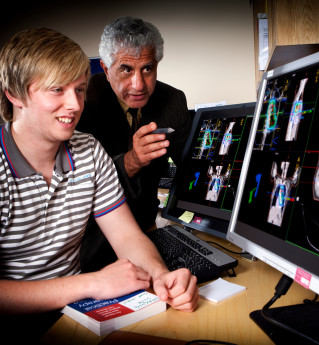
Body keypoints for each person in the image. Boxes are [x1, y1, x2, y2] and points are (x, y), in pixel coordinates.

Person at [0, 27, 198, 343]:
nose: (74, 105)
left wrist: (162, 277)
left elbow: (127, 236)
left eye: (79, 90)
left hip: (76, 316)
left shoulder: (90, 150)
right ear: (14, 93)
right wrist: (92, 284)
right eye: (57, 90)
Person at [77, 16, 193, 271]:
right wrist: (131, 162)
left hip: (148, 228)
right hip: (91, 245)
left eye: (147, 69)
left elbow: (189, 172)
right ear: (106, 70)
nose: (139, 85)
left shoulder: (173, 101)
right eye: (126, 69)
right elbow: (78, 188)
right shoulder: (79, 104)